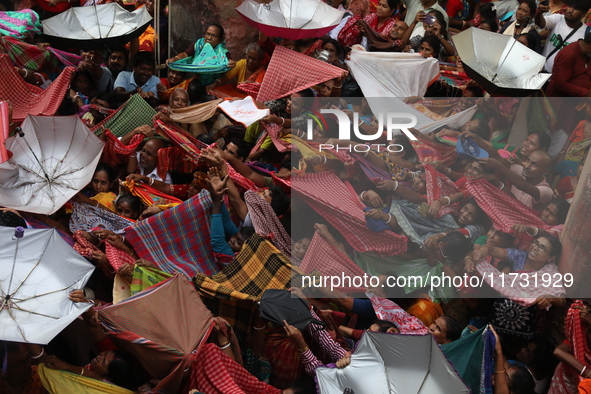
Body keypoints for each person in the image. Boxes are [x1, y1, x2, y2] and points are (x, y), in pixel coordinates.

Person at [479, 151, 553, 212]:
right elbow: (500, 160)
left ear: (545, 172)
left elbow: (523, 186)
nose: (527, 166)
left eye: (534, 164)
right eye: (528, 161)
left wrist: (498, 165)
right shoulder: (521, 171)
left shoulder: (546, 191)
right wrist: (478, 140)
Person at [535, 0, 591, 72]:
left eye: (576, 8)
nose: (570, 10)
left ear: (583, 14)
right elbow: (541, 23)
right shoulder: (558, 19)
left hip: (561, 79)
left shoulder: (586, 33)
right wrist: (539, 13)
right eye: (570, 6)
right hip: (541, 73)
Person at [547, 33, 591, 97]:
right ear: (590, 46)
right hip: (559, 102)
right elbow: (560, 84)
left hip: (578, 102)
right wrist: (587, 94)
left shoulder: (587, 54)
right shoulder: (568, 54)